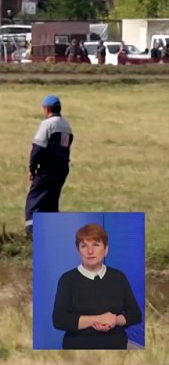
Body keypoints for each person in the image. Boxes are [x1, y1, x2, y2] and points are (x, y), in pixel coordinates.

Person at [52, 223, 143, 350]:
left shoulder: (118, 277)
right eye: (84, 246)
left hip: (116, 347)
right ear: (78, 251)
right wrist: (97, 319)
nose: (90, 251)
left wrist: (114, 320)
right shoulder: (67, 279)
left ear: (105, 249)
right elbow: (59, 320)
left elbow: (135, 314)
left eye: (96, 245)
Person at [25, 95, 73, 237]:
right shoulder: (66, 125)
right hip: (62, 168)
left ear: (46, 109)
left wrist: (32, 169)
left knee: (35, 199)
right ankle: (52, 232)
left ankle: (32, 232)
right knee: (51, 200)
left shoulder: (47, 124)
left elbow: (38, 148)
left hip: (47, 169)